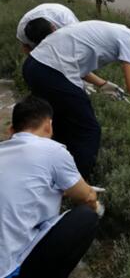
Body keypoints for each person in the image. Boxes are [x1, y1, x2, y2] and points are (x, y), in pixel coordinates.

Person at [22, 20, 130, 179]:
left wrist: (103, 84)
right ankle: (78, 185)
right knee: (88, 131)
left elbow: (77, 65)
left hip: (33, 65)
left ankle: (50, 175)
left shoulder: (111, 31)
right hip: (51, 70)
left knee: (61, 126)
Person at [0, 96, 101, 278]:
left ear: (11, 131)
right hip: (7, 268)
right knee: (86, 217)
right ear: (48, 125)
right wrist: (96, 207)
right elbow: (87, 196)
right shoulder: (52, 150)